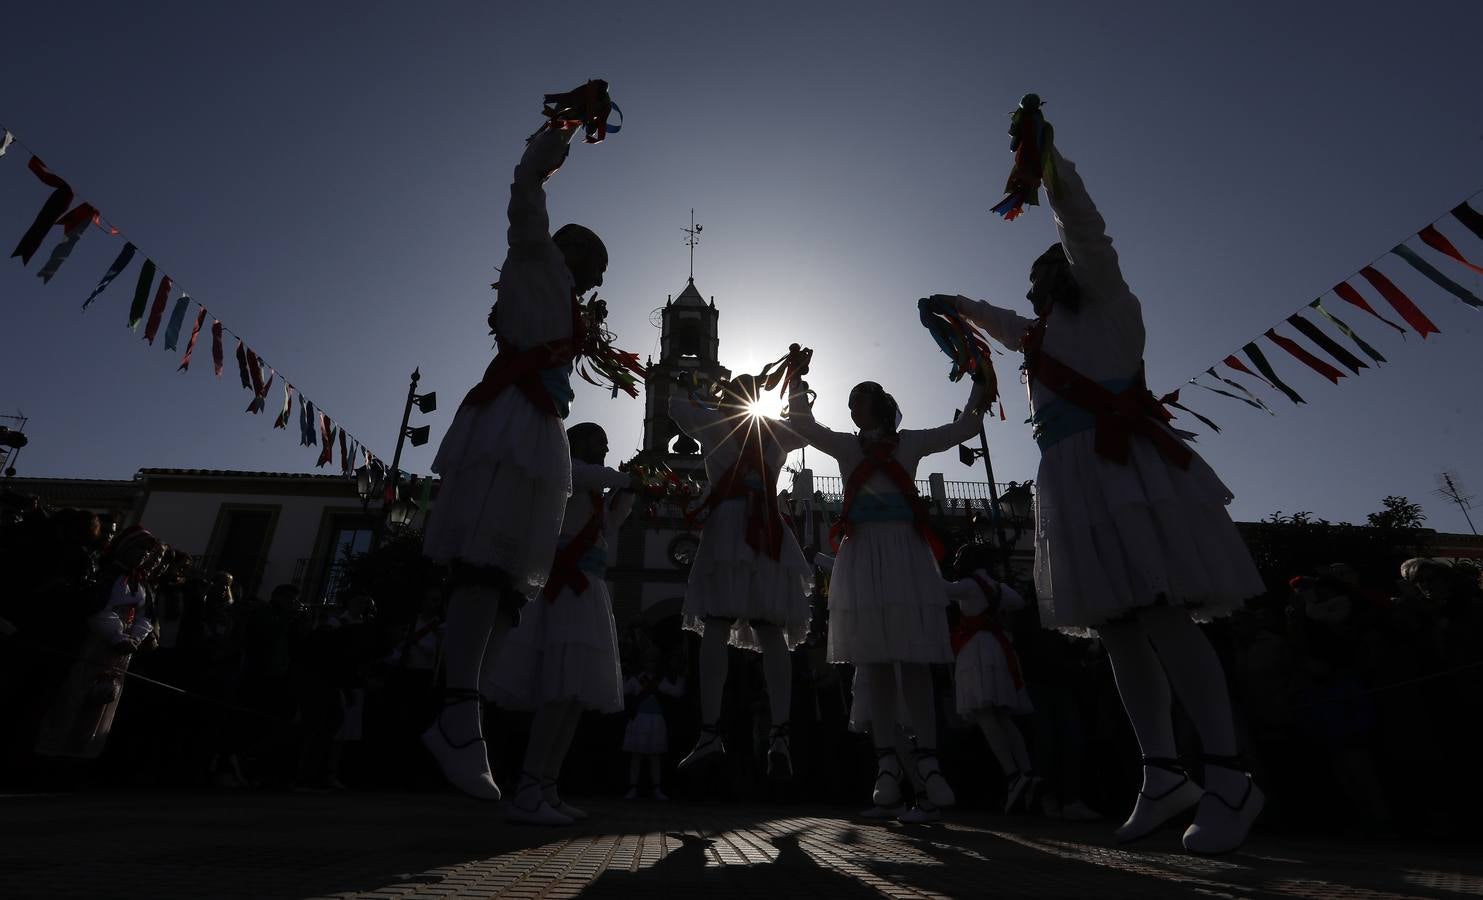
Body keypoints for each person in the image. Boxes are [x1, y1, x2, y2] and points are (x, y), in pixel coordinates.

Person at [936, 130, 1266, 853]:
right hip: (1070, 477)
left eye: (1050, 268)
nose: (1041, 282)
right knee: (1117, 626)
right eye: (1034, 280)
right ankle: (1161, 775)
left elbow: (1083, 225)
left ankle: (1227, 774)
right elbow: (1002, 320)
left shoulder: (1110, 300)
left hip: (1123, 470)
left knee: (1162, 613)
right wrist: (952, 302)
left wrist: (1046, 164)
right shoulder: (1039, 335)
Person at [420, 113, 609, 800]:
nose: (592, 275)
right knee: (482, 564)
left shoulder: (565, 302)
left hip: (539, 427)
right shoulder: (535, 257)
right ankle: (456, 711)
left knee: (505, 578)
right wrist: (558, 134)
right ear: (569, 251)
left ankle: (461, 714)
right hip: (511, 417)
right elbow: (525, 188)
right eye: (590, 260)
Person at [786, 371, 990, 820]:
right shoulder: (846, 445)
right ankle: (887, 770)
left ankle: (929, 768)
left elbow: (962, 429)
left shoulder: (910, 443)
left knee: (913, 661)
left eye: (857, 399)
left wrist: (980, 387)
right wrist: (797, 379)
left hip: (904, 552)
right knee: (874, 662)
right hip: (862, 555)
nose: (851, 408)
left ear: (877, 405)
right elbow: (805, 425)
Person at [487, 423, 637, 824]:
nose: (605, 448)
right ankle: (529, 788)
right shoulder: (565, 472)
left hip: (589, 590)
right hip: (563, 589)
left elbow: (613, 523)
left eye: (607, 444)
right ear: (579, 443)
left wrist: (630, 492)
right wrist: (629, 476)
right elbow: (590, 475)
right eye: (599, 442)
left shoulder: (592, 492)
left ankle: (548, 787)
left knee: (571, 700)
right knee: (557, 694)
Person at [668, 374, 812, 778]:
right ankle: (780, 734)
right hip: (767, 529)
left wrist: (689, 385)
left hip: (729, 528)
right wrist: (797, 383)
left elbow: (676, 409)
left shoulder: (713, 424)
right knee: (770, 629)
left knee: (715, 623)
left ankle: (710, 732)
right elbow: (804, 426)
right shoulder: (773, 433)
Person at [946, 544, 1040, 815]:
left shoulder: (966, 585)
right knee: (1003, 715)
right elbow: (1019, 602)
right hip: (998, 648)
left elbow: (941, 588)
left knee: (986, 714)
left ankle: (1012, 774)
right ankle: (1026, 770)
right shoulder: (999, 588)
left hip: (975, 650)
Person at [623, 653, 684, 801]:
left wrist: (681, 676)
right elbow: (622, 690)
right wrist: (623, 674)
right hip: (639, 720)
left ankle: (656, 788)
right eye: (647, 660)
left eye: (652, 660)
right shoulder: (636, 679)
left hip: (656, 721)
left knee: (654, 756)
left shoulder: (659, 681)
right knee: (636, 755)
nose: (650, 663)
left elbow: (677, 692)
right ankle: (633, 788)